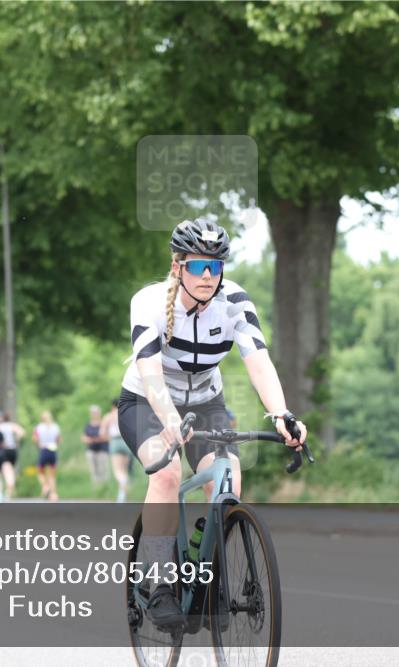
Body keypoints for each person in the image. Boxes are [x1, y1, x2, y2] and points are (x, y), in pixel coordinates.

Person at [117, 218, 307, 630]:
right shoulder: (148, 302)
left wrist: (281, 414)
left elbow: (258, 361)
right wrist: (168, 421)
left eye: (215, 267)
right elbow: (150, 374)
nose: (207, 276)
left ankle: (205, 575)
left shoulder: (235, 301)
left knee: (227, 483)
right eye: (198, 266)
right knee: (166, 473)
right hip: (146, 402)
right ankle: (159, 583)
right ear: (177, 267)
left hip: (206, 401)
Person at [101, 399, 131, 503]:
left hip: (115, 441)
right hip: (126, 440)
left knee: (118, 470)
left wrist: (109, 438)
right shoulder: (126, 414)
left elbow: (102, 433)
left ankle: (122, 487)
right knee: (124, 470)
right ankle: (122, 495)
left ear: (112, 406)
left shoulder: (108, 416)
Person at [0, 409, 25, 500]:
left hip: (4, 450)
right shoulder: (12, 426)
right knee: (11, 469)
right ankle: (9, 490)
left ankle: (9, 489)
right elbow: (22, 432)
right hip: (13, 450)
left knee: (7, 471)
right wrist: (17, 439)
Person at [32, 410, 61, 501]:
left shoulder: (39, 427)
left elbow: (35, 439)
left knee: (40, 472)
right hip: (53, 450)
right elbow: (59, 440)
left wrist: (39, 443)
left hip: (44, 450)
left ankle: (45, 486)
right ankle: (54, 494)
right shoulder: (56, 427)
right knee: (52, 475)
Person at [83, 404, 110, 486]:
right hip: (91, 450)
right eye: (93, 412)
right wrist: (89, 440)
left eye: (96, 412)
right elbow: (84, 437)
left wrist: (98, 439)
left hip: (102, 449)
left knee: (103, 469)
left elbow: (108, 436)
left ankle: (105, 486)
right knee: (93, 470)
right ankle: (96, 486)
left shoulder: (103, 423)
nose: (94, 414)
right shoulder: (88, 425)